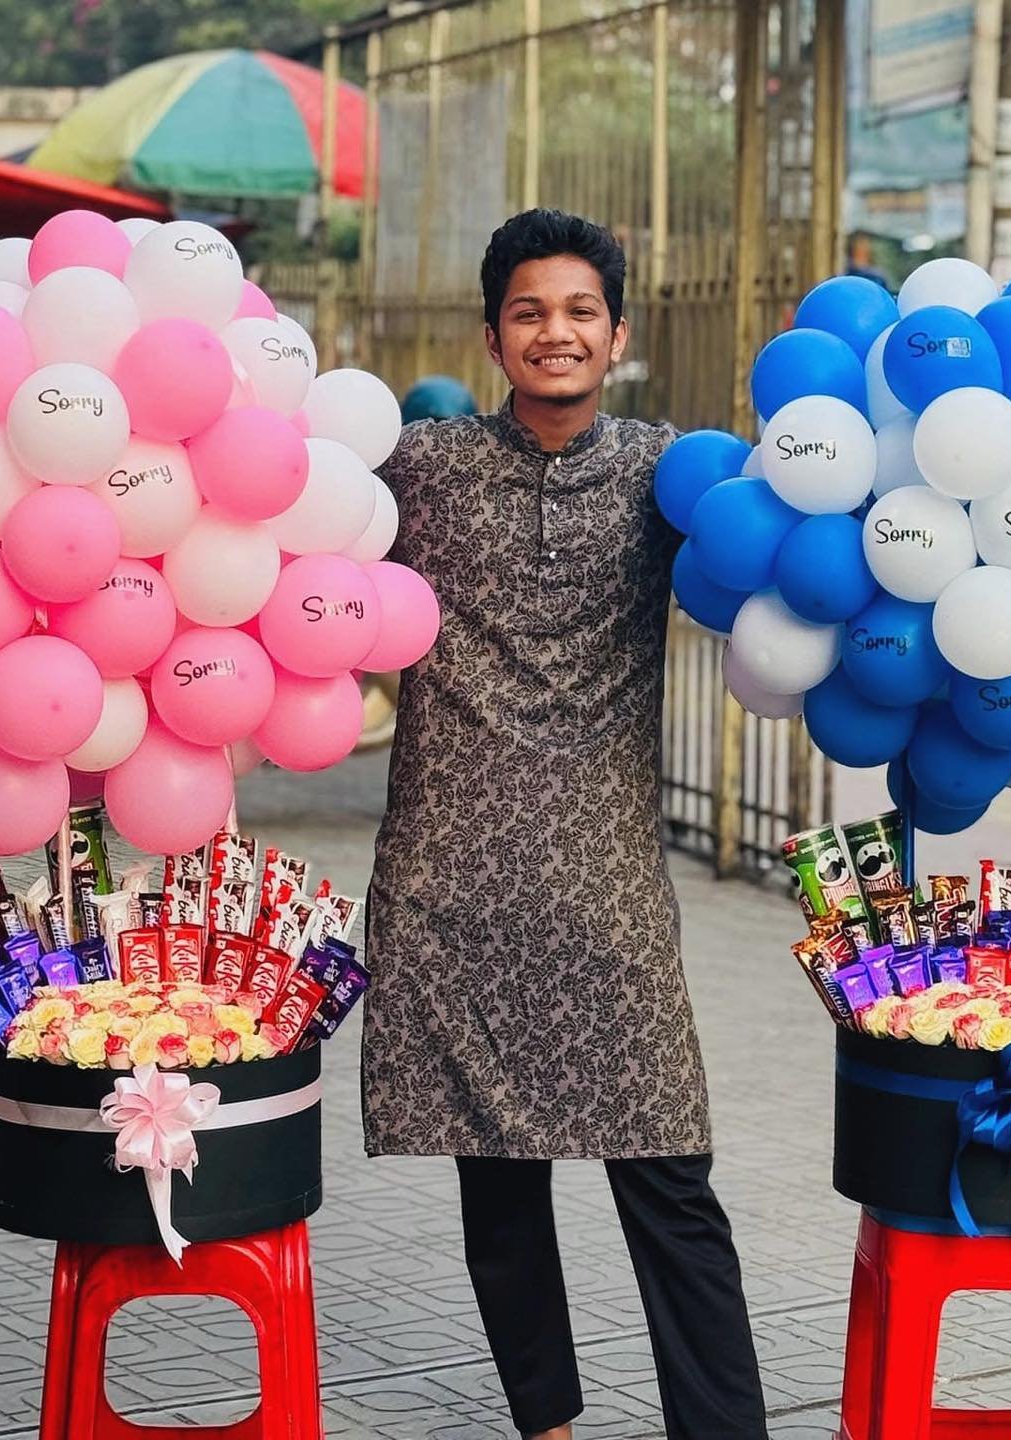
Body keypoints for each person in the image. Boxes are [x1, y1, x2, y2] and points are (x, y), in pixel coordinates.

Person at [361, 208, 769, 1440]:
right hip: (452, 883)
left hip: (605, 886)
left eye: (580, 310)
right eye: (530, 311)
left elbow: (786, 559)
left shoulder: (670, 475)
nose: (557, 332)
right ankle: (549, 1425)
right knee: (498, 1178)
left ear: (619, 332)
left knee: (670, 1175)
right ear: (494, 336)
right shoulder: (419, 471)